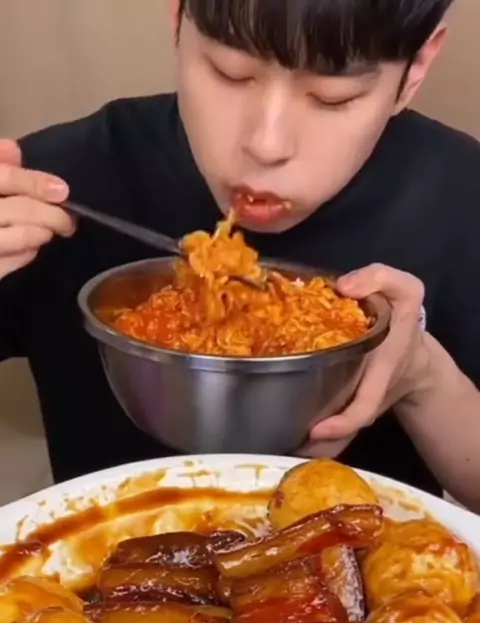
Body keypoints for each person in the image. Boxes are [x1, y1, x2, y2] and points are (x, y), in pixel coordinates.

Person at [0, 0, 480, 511]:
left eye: (333, 98)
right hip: (93, 548)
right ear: (178, 20)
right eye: (229, 73)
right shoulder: (56, 182)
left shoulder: (461, 194)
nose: (266, 144)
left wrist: (423, 377)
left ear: (415, 70)